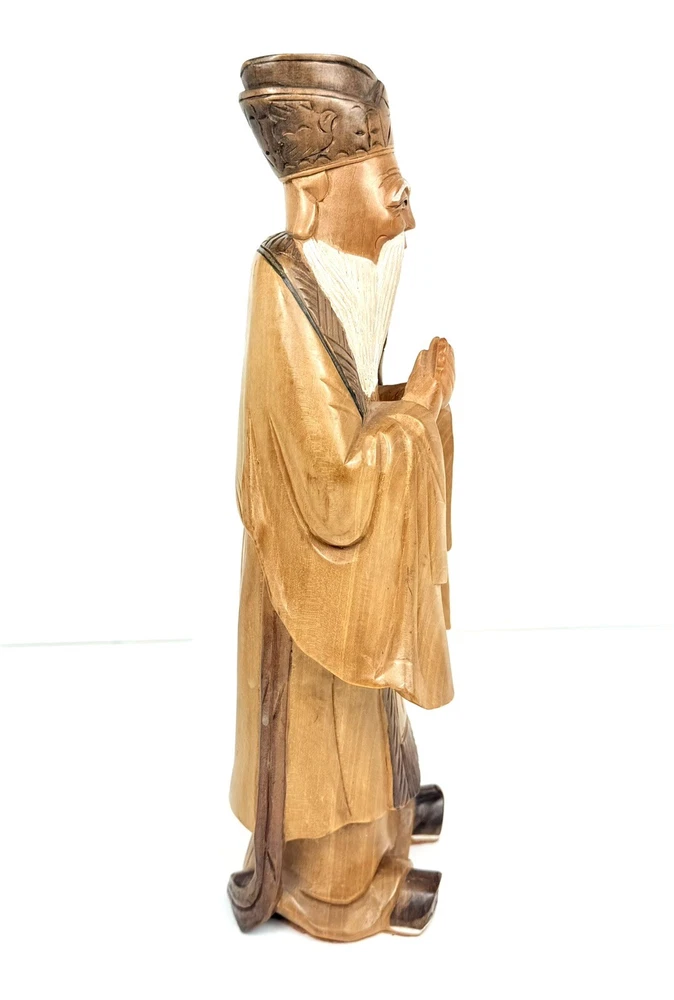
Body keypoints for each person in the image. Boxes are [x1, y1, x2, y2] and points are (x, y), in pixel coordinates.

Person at [228, 53, 455, 942]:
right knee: (331, 708)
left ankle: (389, 819)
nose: (403, 205)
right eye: (387, 182)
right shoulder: (283, 286)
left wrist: (404, 407)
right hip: (308, 569)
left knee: (366, 697)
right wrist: (416, 418)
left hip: (341, 544)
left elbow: (351, 416)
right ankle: (338, 881)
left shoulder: (329, 274)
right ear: (316, 195)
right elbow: (331, 484)